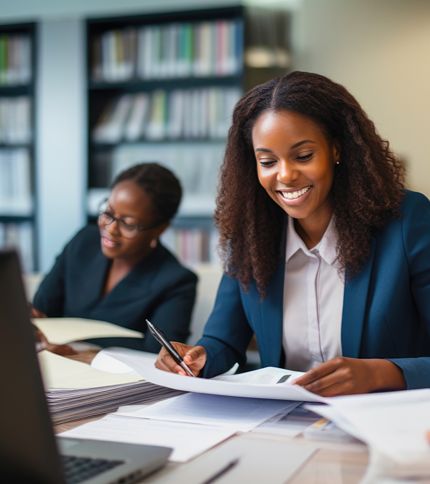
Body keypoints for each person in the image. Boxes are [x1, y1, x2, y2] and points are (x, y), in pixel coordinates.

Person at [155, 71, 430, 396]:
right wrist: (197, 358)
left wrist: (381, 374)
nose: (285, 175)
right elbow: (222, 341)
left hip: (384, 425)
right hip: (285, 423)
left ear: (336, 149)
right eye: (267, 161)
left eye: (303, 156)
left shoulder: (406, 221)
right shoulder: (252, 233)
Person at [33, 162, 197, 353]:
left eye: (128, 224)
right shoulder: (84, 242)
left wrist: (79, 351)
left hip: (117, 379)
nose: (110, 228)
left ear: (160, 229)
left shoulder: (176, 281)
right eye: (108, 212)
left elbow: (160, 354)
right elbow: (42, 309)